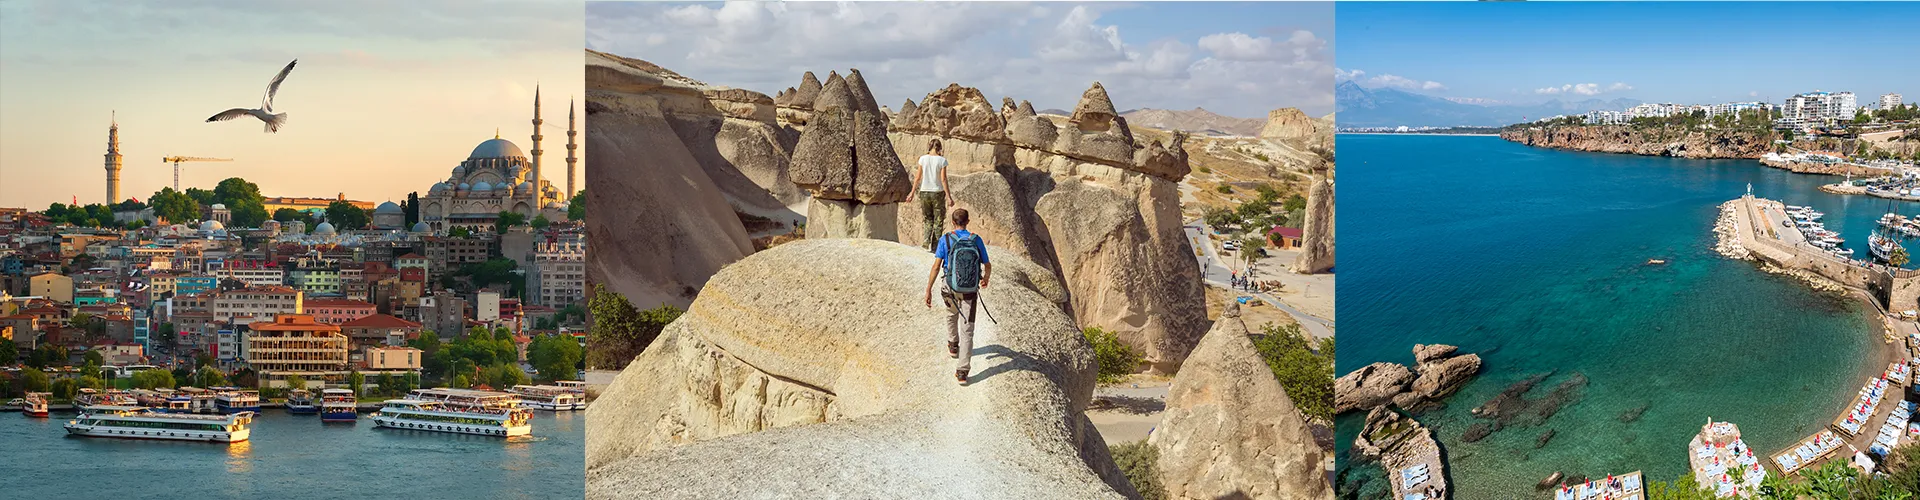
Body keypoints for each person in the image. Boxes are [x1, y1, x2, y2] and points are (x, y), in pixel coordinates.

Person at [925, 208, 991, 384]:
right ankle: (962, 371)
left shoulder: (946, 239)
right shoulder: (976, 240)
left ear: (953, 222)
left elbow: (936, 266)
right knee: (967, 329)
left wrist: (928, 289)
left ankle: (953, 345)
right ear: (967, 222)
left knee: (951, 314)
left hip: (949, 287)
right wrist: (985, 279)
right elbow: (987, 264)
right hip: (969, 290)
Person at [909, 139, 953, 251]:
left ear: (929, 146)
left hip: (924, 191)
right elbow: (943, 179)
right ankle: (935, 246)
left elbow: (918, 177)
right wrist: (948, 196)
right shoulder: (942, 160)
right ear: (940, 148)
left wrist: (912, 193)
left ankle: (925, 241)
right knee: (938, 220)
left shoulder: (922, 159)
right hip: (937, 192)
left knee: (928, 218)